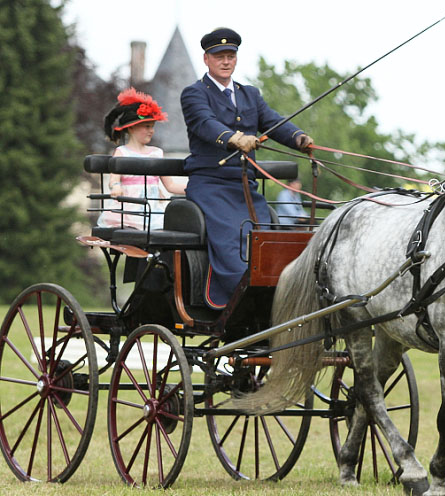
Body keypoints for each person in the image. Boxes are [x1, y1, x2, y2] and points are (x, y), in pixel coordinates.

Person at [181, 27, 313, 309]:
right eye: (219, 57)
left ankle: (276, 295)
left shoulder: (249, 94)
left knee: (264, 235)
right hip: (210, 184)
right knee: (232, 237)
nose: (226, 61)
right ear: (207, 59)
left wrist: (298, 138)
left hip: (244, 186)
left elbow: (273, 122)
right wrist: (233, 138)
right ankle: (238, 300)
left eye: (231, 56)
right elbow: (204, 123)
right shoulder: (194, 94)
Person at [98, 88, 186, 230]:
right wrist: (115, 187)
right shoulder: (122, 152)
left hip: (152, 210)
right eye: (147, 126)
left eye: (152, 126)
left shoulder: (157, 153)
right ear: (131, 128)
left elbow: (170, 185)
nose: (152, 130)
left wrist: (196, 188)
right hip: (129, 210)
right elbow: (114, 179)